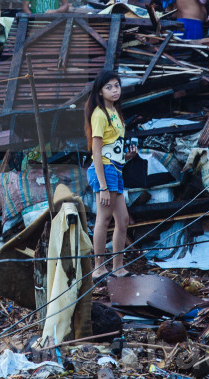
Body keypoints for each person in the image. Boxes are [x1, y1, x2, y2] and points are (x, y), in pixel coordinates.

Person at [84, 70, 135, 279]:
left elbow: (112, 148)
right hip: (104, 171)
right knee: (103, 220)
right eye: (109, 87)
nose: (115, 90)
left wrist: (128, 156)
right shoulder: (99, 114)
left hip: (116, 169)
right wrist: (103, 186)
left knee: (122, 220)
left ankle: (118, 266)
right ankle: (98, 267)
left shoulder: (115, 112)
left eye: (117, 85)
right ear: (100, 91)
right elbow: (96, 152)